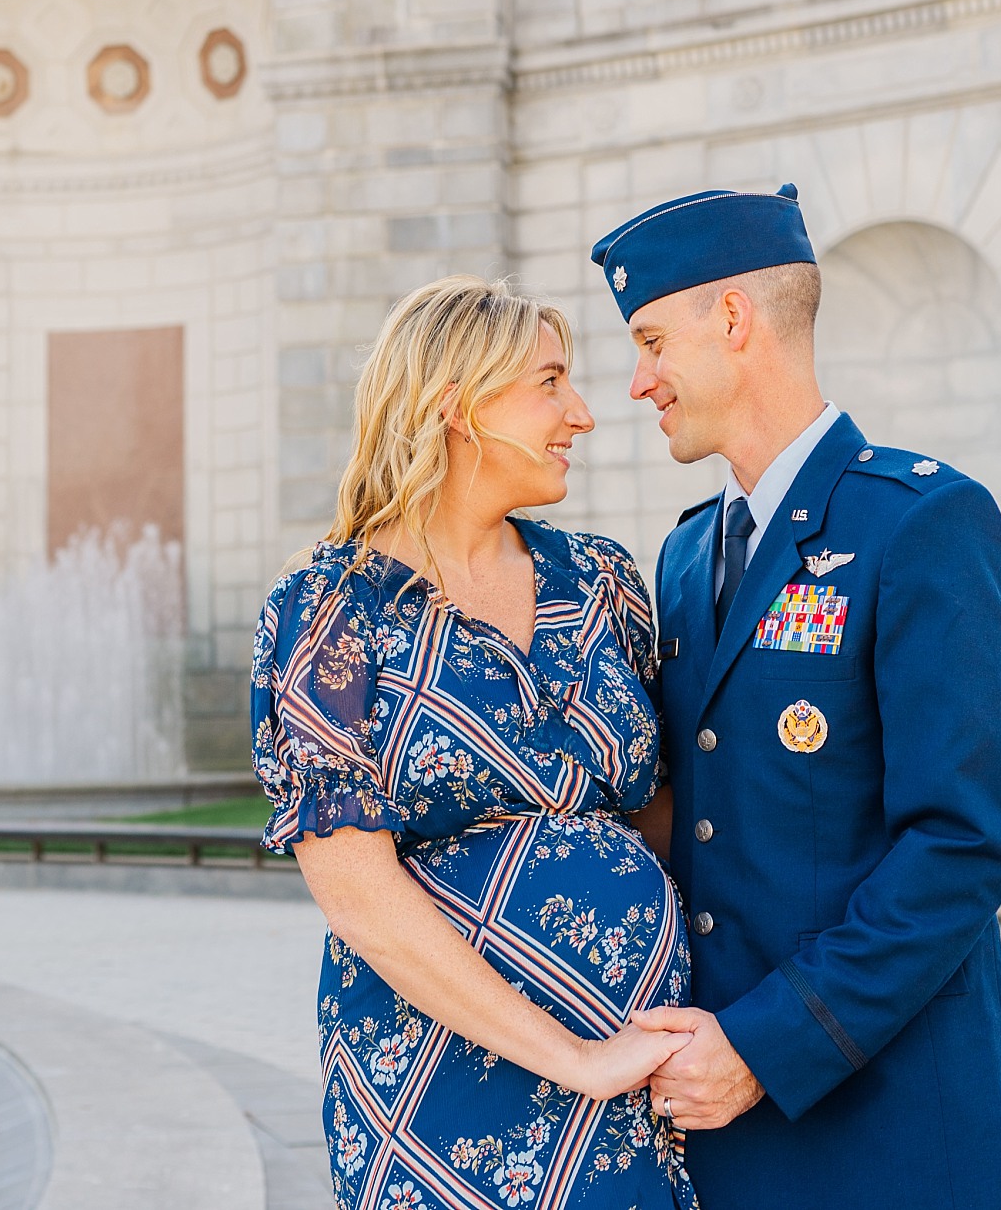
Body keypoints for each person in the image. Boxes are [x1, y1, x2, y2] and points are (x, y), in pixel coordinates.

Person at [592, 186, 1001, 1209]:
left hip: (894, 1123)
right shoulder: (686, 553)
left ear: (733, 319)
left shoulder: (921, 520)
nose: (638, 380)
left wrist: (764, 1045)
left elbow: (962, 842)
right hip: (728, 1124)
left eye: (652, 342)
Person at [251, 276, 697, 1210]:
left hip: (636, 1075)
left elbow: (664, 814)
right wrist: (577, 1059)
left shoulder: (601, 580)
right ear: (457, 405)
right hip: (438, 1087)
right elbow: (358, 894)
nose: (582, 413)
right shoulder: (331, 611)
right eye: (551, 383)